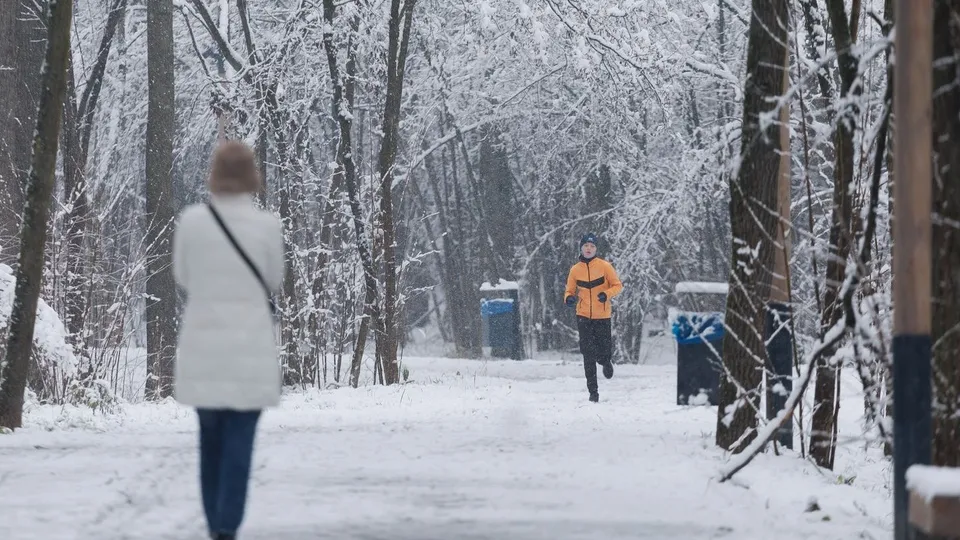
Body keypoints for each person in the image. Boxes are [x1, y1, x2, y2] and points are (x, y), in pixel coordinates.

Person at [173, 141, 284, 540]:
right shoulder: (267, 225)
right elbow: (273, 279)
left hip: (204, 351)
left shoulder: (192, 222)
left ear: (215, 176)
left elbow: (183, 276)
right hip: (250, 353)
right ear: (253, 177)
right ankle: (228, 527)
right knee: (240, 446)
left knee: (210, 444)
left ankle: (214, 523)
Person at [564, 233, 623, 402]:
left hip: (602, 315)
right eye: (586, 246)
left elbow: (617, 285)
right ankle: (593, 392)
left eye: (592, 246)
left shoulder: (605, 267)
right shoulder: (575, 270)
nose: (588, 249)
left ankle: (605, 361)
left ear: (596, 249)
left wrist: (606, 293)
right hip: (583, 315)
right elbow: (569, 290)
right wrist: (569, 298)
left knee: (603, 350)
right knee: (587, 353)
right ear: (581, 248)